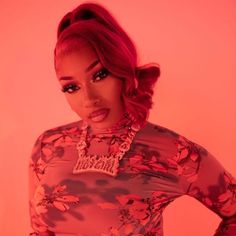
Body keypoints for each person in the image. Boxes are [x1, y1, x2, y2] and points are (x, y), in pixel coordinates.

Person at [28, 2, 236, 236]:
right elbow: (39, 231)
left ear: (122, 67)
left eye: (99, 75)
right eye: (71, 87)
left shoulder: (175, 153)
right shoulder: (48, 145)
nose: (88, 99)